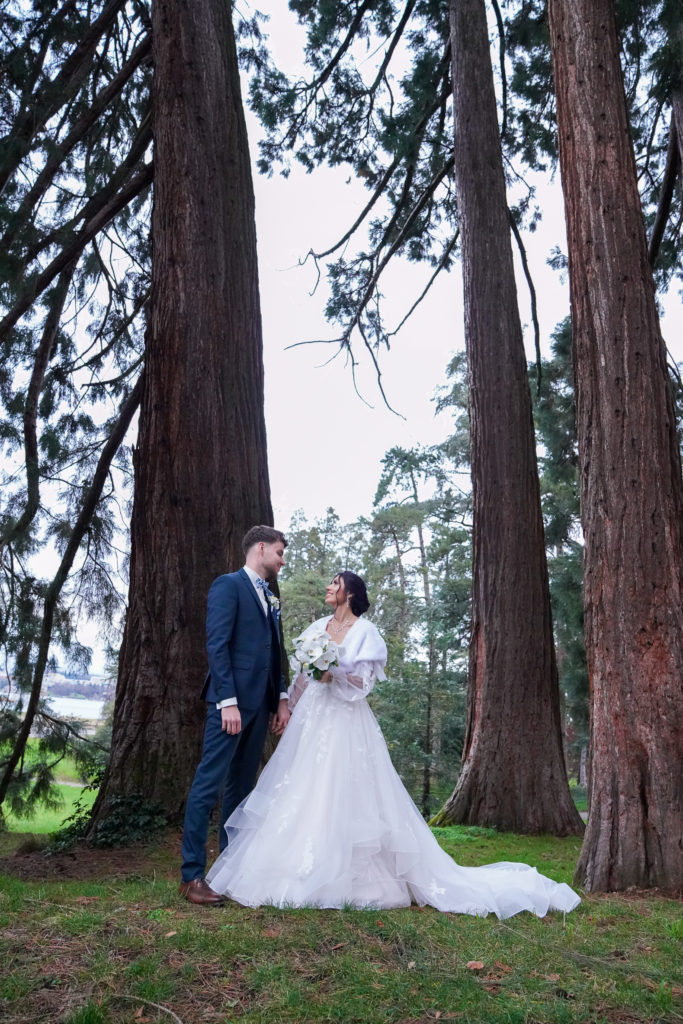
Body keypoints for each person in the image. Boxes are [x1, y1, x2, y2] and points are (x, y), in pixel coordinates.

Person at [206, 571, 581, 917]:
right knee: (298, 787)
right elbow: (303, 675)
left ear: (349, 592)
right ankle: (286, 869)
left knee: (343, 790)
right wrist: (287, 707)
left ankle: (352, 877)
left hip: (346, 723)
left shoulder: (365, 632)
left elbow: (362, 685)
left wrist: (332, 671)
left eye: (334, 583)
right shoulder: (317, 627)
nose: (328, 588)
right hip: (311, 721)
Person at [179, 525, 290, 906]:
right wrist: (226, 700)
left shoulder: (271, 595)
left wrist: (281, 698)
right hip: (230, 705)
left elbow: (278, 651)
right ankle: (191, 875)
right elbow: (217, 643)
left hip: (261, 705)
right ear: (260, 548)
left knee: (241, 788)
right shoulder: (228, 585)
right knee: (208, 784)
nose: (281, 560)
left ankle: (230, 870)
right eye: (278, 552)